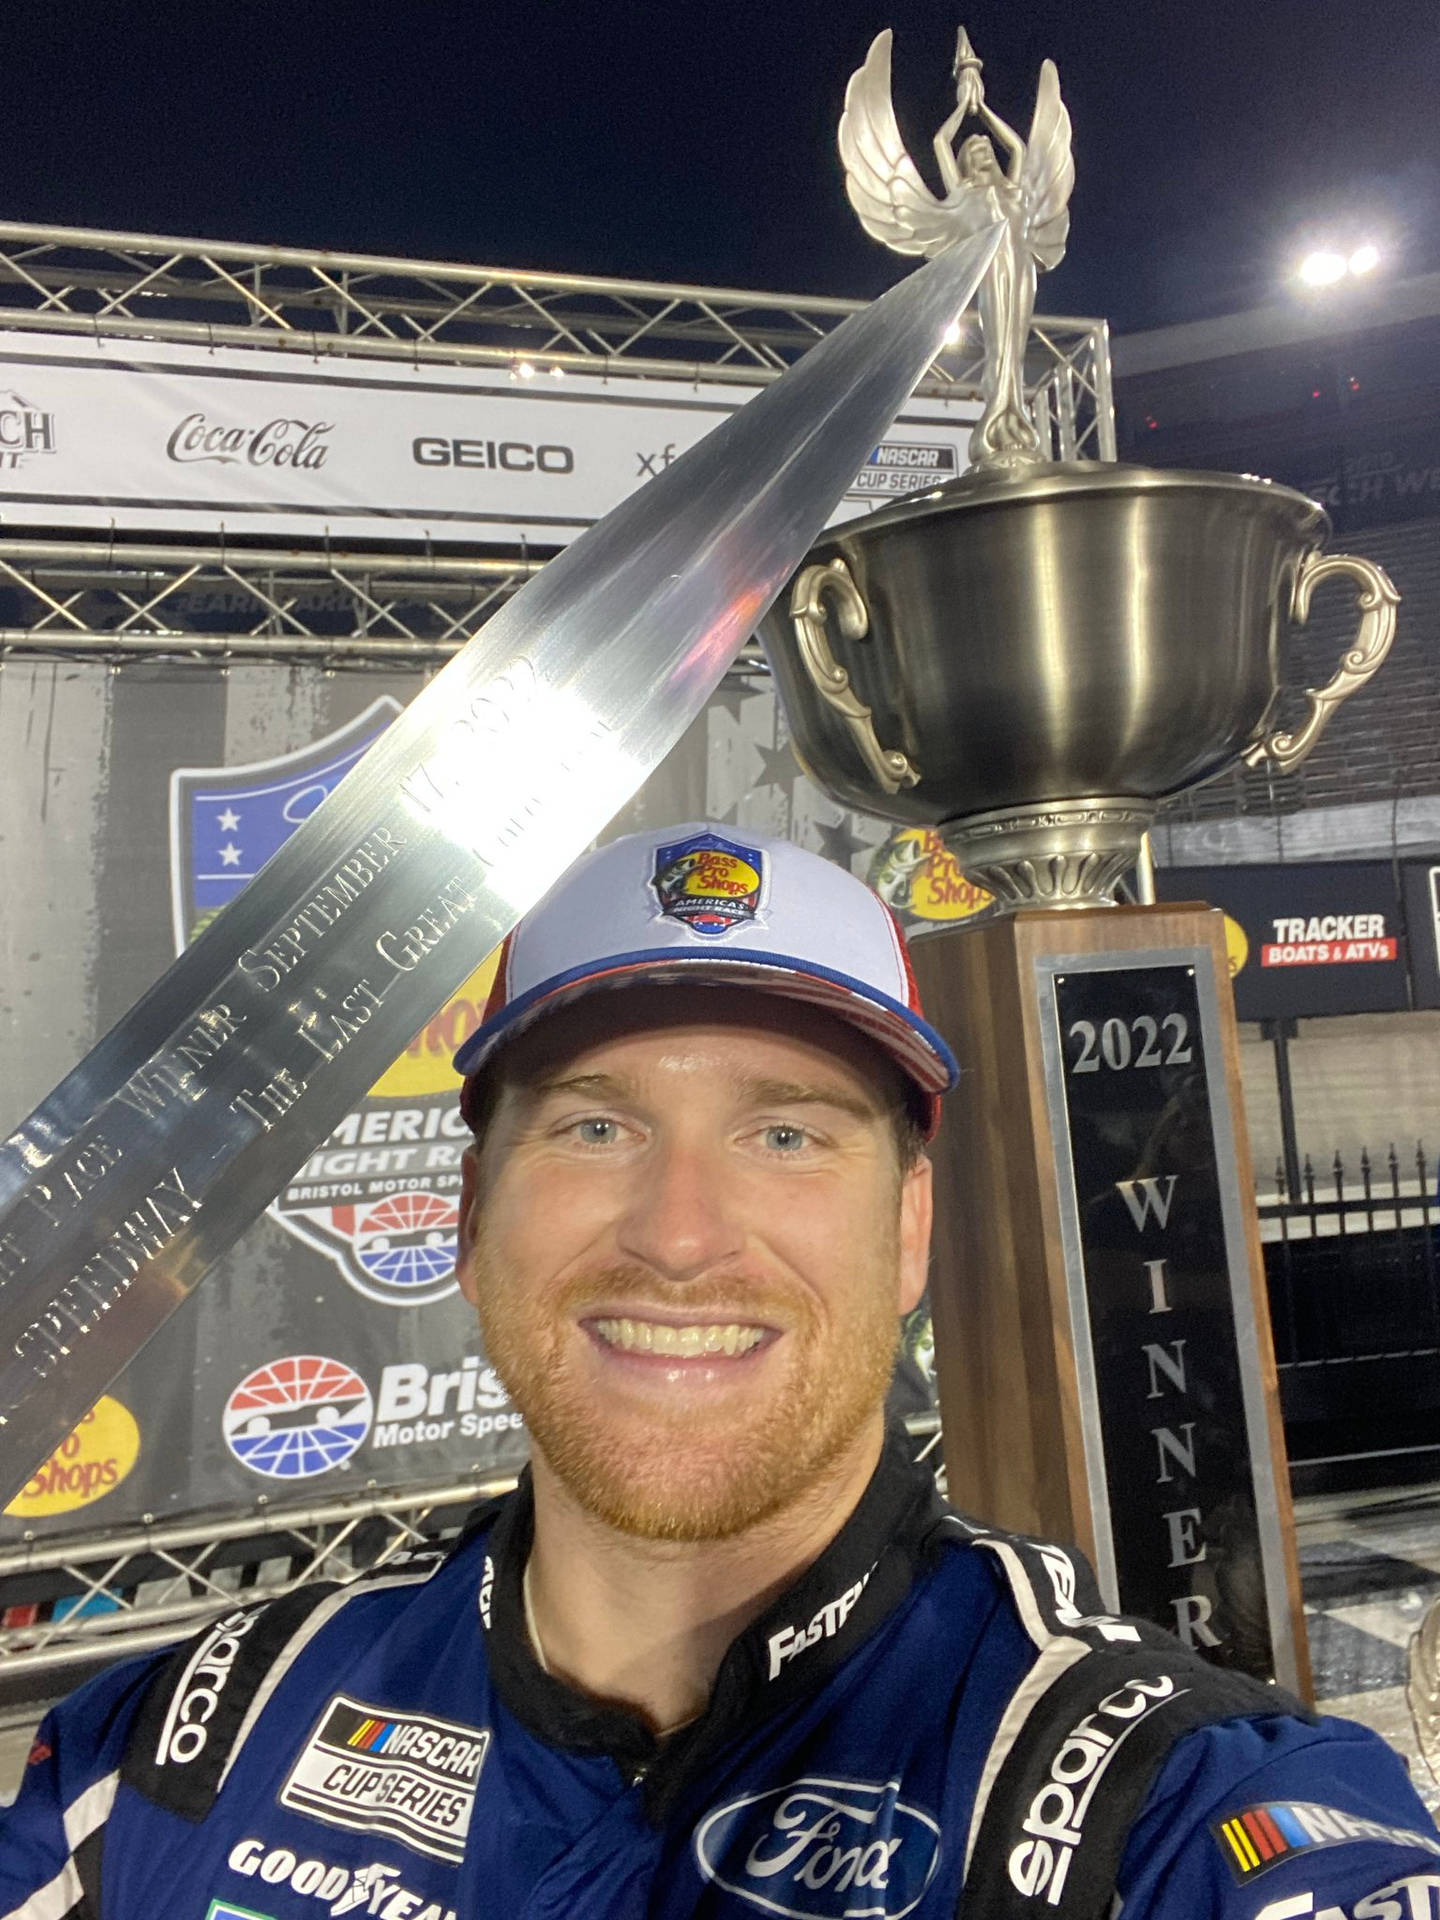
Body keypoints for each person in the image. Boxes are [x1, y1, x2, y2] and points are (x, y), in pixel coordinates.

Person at [3, 820, 1438, 1920]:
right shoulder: (168, 1752)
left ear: (912, 1228)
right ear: (466, 1218)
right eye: (594, 1129)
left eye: (787, 1134)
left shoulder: (1168, 1810)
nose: (681, 1238)